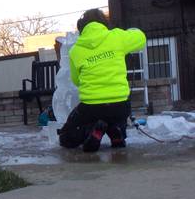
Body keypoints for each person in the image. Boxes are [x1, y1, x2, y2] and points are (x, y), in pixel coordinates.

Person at [58, 8, 146, 152]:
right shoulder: (117, 37)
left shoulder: (75, 50)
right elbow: (141, 38)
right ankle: (116, 132)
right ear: (103, 22)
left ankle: (94, 133)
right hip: (120, 105)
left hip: (92, 107)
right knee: (117, 116)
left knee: (66, 137)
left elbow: (76, 81)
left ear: (82, 26)